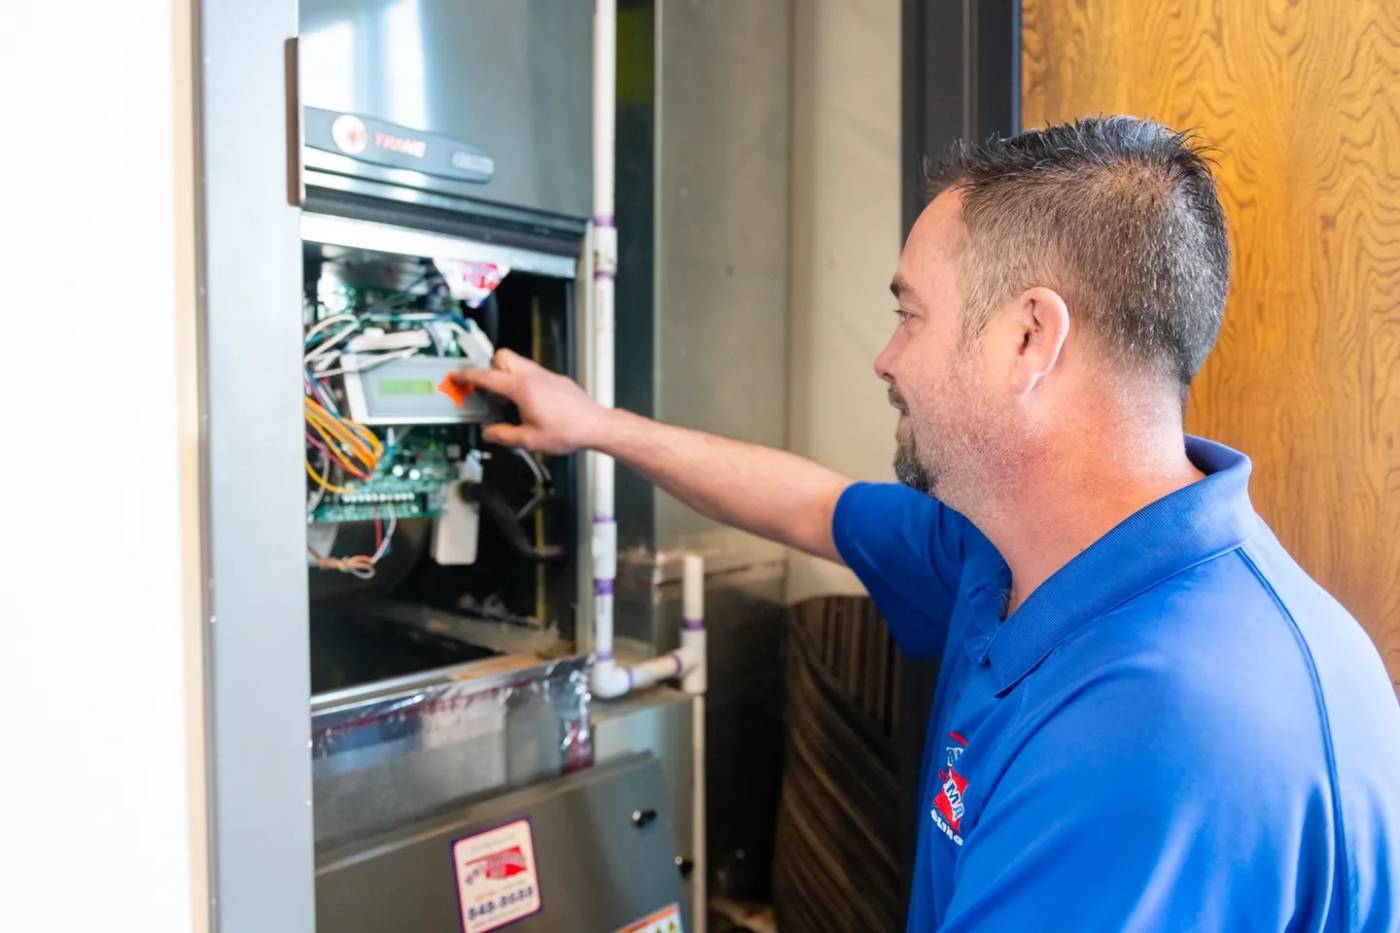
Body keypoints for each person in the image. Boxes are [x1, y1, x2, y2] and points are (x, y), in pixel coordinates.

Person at [453, 116, 1400, 931]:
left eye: (910, 314)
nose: (885, 357)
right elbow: (812, 503)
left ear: (1031, 336)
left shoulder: (1157, 734)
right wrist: (596, 426)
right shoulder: (1011, 555)